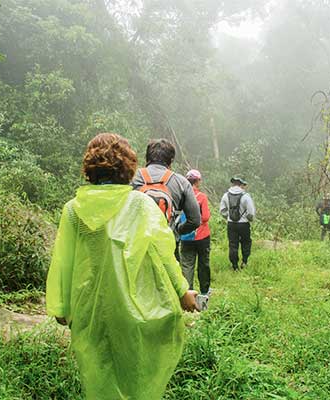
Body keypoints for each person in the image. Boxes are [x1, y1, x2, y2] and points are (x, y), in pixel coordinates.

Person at [46, 133, 198, 400]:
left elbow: (63, 262)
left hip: (89, 308)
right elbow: (164, 252)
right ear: (128, 167)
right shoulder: (139, 205)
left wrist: (61, 307)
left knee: (98, 373)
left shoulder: (73, 209)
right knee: (135, 370)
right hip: (133, 303)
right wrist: (182, 291)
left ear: (89, 167)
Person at [132, 138, 201, 260]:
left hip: (135, 245)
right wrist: (177, 230)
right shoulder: (181, 182)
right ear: (171, 160)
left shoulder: (130, 178)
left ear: (147, 158)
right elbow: (195, 220)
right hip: (167, 245)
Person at [179, 169, 211, 296]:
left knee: (187, 265)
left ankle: (188, 293)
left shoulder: (181, 197)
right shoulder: (201, 197)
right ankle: (204, 292)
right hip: (202, 236)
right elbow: (206, 217)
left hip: (185, 236)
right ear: (197, 181)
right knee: (203, 263)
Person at [220, 177, 255, 270]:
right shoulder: (246, 196)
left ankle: (234, 266)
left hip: (231, 224)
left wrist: (228, 217)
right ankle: (244, 261)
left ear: (233, 184)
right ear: (241, 184)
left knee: (233, 244)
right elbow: (251, 212)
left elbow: (222, 211)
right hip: (244, 224)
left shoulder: (226, 195)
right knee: (246, 242)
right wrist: (248, 219)